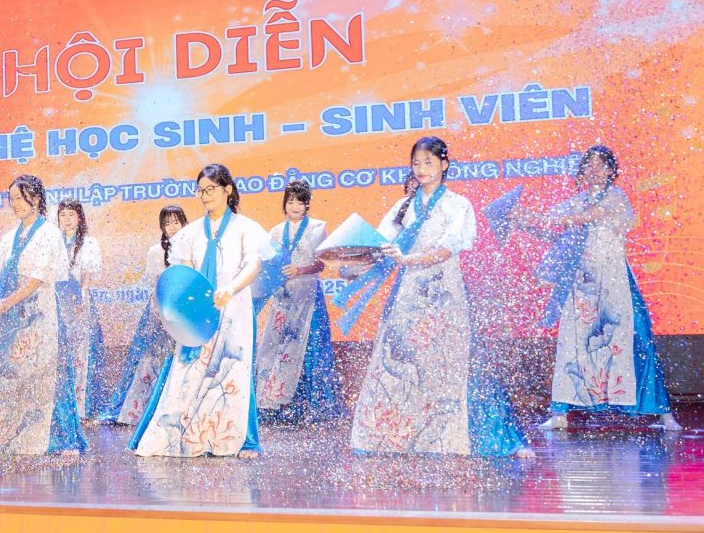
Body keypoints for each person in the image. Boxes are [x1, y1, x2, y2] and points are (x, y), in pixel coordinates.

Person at [345, 137, 530, 457]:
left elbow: (446, 249)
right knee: (399, 362)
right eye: (416, 163)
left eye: (429, 162)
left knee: (453, 364)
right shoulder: (402, 207)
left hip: (444, 296)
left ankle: (471, 438)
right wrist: (351, 263)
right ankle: (398, 437)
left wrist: (409, 260)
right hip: (407, 297)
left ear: (444, 164)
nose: (422, 169)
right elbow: (380, 246)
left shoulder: (457, 205)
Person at [524, 145, 681, 431]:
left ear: (611, 171)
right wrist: (522, 219)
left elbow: (587, 216)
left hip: (615, 281)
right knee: (573, 344)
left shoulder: (615, 197)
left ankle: (663, 412)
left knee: (637, 338)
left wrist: (545, 219)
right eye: (589, 165)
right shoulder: (576, 201)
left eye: (601, 165)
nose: (594, 170)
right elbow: (551, 227)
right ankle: (560, 413)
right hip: (583, 285)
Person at [132, 164, 269, 459]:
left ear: (227, 190)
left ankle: (238, 439)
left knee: (233, 372)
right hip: (199, 315)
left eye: (211, 189)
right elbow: (185, 276)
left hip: (234, 310)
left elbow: (253, 265)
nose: (205, 195)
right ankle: (185, 436)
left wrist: (231, 288)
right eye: (201, 190)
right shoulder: (190, 233)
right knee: (187, 373)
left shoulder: (245, 228)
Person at [0, 174, 86, 456]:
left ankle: (50, 439)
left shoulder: (49, 233)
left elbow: (36, 280)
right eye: (11, 199)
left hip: (39, 319)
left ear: (36, 199)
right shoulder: (9, 237)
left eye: (19, 198)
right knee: (0, 376)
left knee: (41, 376)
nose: (14, 204)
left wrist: (2, 305)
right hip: (8, 321)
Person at [256, 180, 343, 423]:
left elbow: (322, 263)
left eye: (300, 201)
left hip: (309, 298)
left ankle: (312, 408)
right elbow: (267, 264)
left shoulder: (317, 228)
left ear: (307, 204)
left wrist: (299, 270)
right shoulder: (275, 232)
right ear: (284, 204)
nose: (295, 206)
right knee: (276, 348)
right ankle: (275, 406)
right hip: (283, 300)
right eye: (291, 201)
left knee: (310, 348)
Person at [101, 205, 187, 425]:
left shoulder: (193, 247)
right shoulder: (156, 251)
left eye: (176, 222)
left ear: (184, 223)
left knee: (184, 358)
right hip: (161, 310)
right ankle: (143, 409)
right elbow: (153, 283)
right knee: (154, 358)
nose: (172, 227)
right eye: (167, 223)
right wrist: (162, 311)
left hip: (187, 311)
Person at [54, 199, 107, 419]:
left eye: (71, 215)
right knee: (58, 353)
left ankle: (81, 408)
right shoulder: (53, 241)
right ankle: (58, 408)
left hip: (79, 302)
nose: (67, 219)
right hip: (56, 303)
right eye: (63, 215)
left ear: (79, 218)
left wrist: (82, 294)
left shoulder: (88, 242)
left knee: (81, 354)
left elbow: (87, 275)